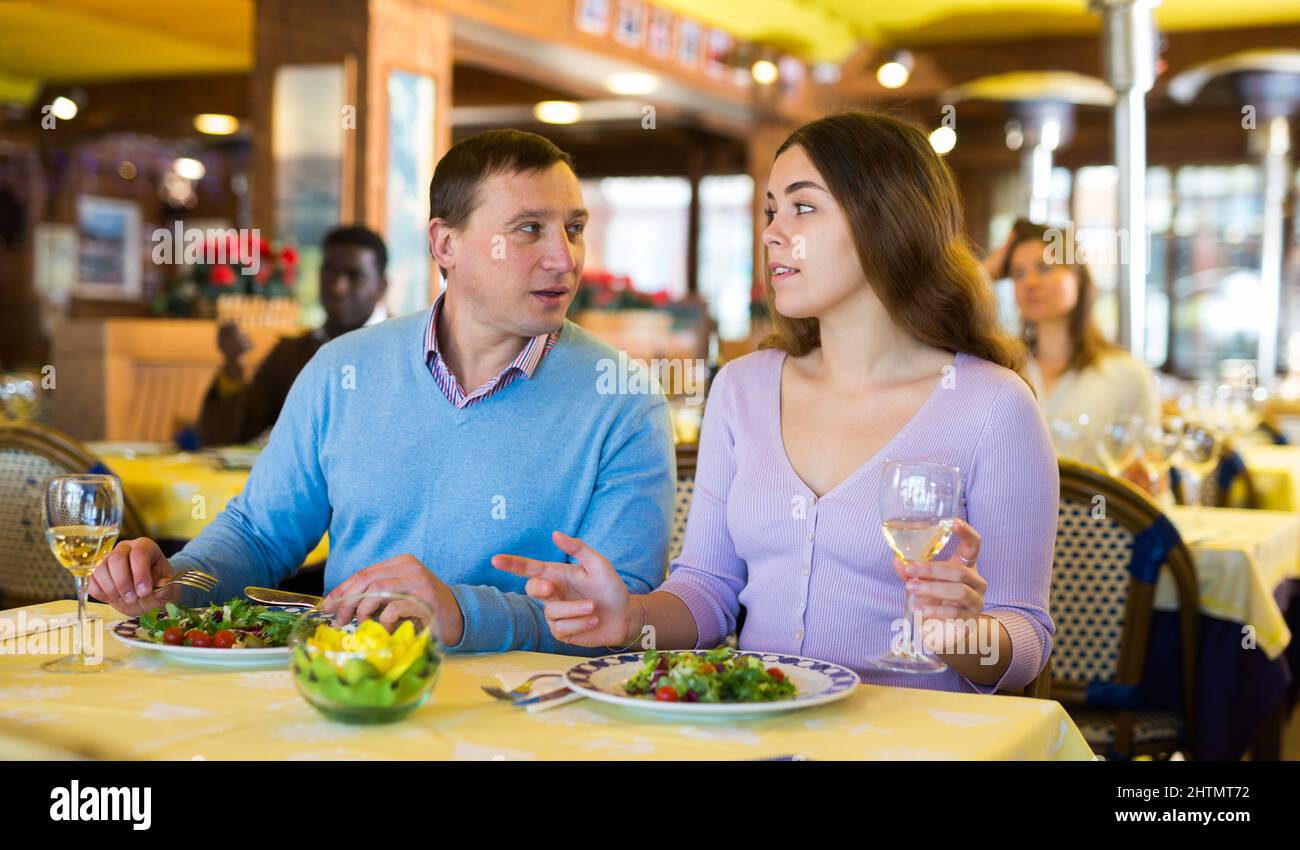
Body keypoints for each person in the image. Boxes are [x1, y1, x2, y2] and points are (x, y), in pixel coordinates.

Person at [493, 110, 1058, 693]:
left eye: (803, 207)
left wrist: (965, 636)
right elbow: (708, 592)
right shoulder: (743, 389)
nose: (770, 232)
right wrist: (631, 619)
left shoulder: (994, 407)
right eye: (770, 211)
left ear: (888, 221)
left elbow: (1026, 642)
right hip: (763, 735)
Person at [90, 129, 675, 655]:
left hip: (531, 716)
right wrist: (173, 582)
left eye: (573, 229)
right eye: (529, 230)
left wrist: (465, 615)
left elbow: (620, 617)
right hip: (348, 693)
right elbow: (260, 535)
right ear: (446, 244)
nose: (564, 257)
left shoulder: (625, 403)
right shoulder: (340, 371)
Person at [987, 218, 1160, 473]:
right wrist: (984, 272)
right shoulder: (999, 369)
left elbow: (1148, 475)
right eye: (1018, 273)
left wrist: (1149, 477)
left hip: (1096, 512)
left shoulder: (1128, 375)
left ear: (1078, 277)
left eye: (1044, 268)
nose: (1030, 283)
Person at [197, 225, 390, 447]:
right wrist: (232, 366)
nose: (338, 287)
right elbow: (223, 439)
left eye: (354, 276)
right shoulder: (291, 354)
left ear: (381, 286)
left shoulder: (406, 354)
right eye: (330, 272)